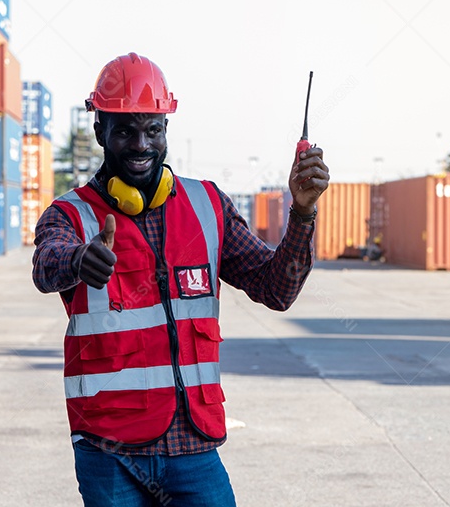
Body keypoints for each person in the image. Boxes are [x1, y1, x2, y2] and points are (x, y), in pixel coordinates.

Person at [32, 52, 330, 506]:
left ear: (166, 129)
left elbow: (278, 289)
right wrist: (78, 260)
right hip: (110, 449)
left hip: (192, 444)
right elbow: (45, 264)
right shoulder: (71, 216)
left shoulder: (208, 206)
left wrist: (303, 211)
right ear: (100, 132)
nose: (141, 144)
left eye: (153, 129)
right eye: (125, 130)